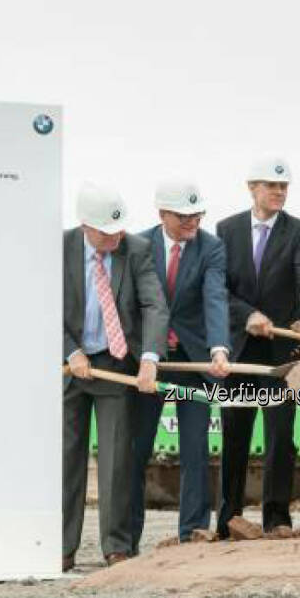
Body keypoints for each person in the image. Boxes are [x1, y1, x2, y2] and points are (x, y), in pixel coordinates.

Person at [215, 156, 300, 537]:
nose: (278, 192)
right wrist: (247, 314)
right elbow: (218, 289)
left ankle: (277, 520)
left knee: (280, 435)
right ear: (252, 188)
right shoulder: (225, 230)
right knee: (234, 433)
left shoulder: (299, 232)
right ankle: (228, 520)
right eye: (271, 186)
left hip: (283, 352)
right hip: (241, 350)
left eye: (284, 187)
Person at [62, 183, 168, 571]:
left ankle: (117, 547)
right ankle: (61, 546)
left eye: (120, 228)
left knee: (116, 461)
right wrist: (70, 351)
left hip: (115, 364)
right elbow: (42, 307)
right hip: (70, 368)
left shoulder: (135, 249)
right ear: (85, 226)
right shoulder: (60, 249)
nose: (117, 235)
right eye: (108, 230)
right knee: (65, 459)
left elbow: (154, 304)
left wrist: (150, 359)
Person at [130, 180, 231, 552]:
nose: (192, 221)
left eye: (197, 214)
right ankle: (125, 540)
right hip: (147, 362)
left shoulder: (211, 247)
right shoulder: (137, 245)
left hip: (193, 360)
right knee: (137, 449)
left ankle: (193, 534)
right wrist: (141, 353)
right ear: (161, 214)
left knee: (195, 448)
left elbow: (215, 298)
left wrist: (219, 348)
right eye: (183, 215)